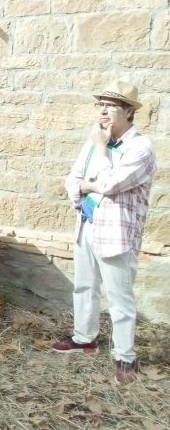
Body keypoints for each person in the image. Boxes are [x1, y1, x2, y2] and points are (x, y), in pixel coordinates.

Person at [54, 80, 156, 385]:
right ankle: (85, 338)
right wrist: (86, 183)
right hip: (87, 223)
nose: (103, 111)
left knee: (119, 296)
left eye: (111, 106)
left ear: (128, 111)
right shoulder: (93, 142)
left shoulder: (140, 148)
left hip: (117, 232)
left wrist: (99, 152)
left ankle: (125, 356)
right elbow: (73, 180)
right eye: (101, 105)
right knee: (84, 286)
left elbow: (111, 184)